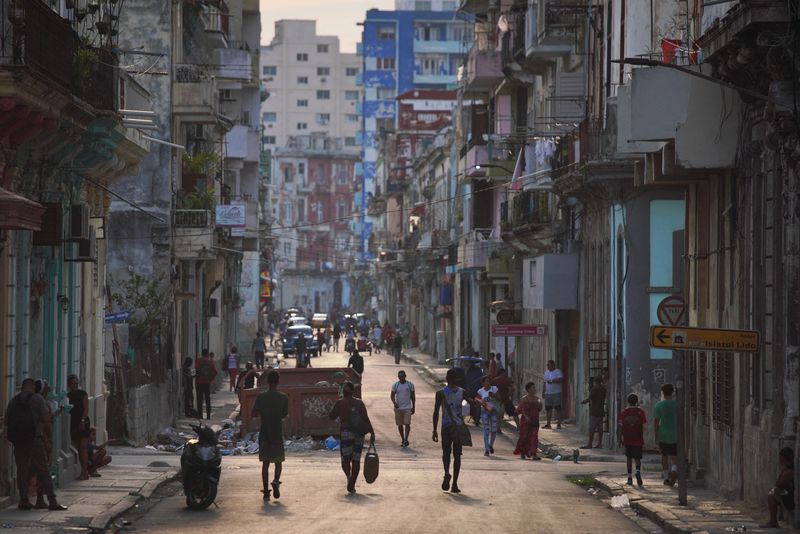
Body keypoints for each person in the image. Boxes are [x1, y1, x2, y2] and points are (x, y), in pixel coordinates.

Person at [5, 378, 67, 510]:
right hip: (35, 439)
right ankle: (52, 501)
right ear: (32, 386)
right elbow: (45, 419)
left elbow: (6, 421)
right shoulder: (38, 399)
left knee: (21, 470)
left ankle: (24, 500)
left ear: (22, 387)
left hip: (19, 441)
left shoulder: (13, 401)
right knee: (43, 469)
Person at [329, 381, 375, 494]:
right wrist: (372, 432)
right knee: (356, 459)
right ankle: (352, 482)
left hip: (345, 433)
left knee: (345, 459)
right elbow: (365, 418)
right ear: (353, 392)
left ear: (343, 392)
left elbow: (332, 416)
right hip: (359, 434)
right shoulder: (359, 403)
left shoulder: (340, 403)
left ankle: (349, 477)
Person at [252, 370, 289, 501]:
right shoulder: (283, 397)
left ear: (267, 382)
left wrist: (263, 413)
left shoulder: (261, 397)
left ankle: (266, 491)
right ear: (278, 382)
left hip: (265, 435)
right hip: (277, 434)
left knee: (265, 464)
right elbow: (284, 415)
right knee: (278, 462)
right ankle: (276, 480)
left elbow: (253, 414)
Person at [433, 368, 468, 494]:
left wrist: (434, 430)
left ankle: (447, 472)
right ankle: (454, 484)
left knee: (446, 453)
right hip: (458, 427)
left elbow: (436, 412)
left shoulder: (440, 393)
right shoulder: (463, 392)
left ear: (447, 379)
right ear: (457, 379)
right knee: (457, 455)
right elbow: (468, 409)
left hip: (446, 427)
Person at [761, 447, 795, 529]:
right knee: (773, 492)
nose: (779, 459)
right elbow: (778, 482)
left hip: (791, 498)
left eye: (781, 457)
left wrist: (784, 471)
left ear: (784, 458)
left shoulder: (790, 471)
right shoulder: (786, 469)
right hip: (787, 494)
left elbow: (779, 484)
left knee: (772, 494)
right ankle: (773, 521)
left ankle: (773, 521)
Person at [617, 393, 646, 486]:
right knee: (637, 458)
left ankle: (629, 477)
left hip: (627, 438)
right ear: (636, 401)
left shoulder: (624, 412)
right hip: (638, 438)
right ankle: (637, 471)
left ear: (628, 401)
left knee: (629, 458)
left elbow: (621, 427)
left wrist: (619, 438)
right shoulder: (640, 412)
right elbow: (643, 423)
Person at [653, 383, 678, 486]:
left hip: (663, 434)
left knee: (664, 456)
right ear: (672, 392)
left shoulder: (659, 405)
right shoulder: (676, 404)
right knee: (674, 456)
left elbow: (656, 421)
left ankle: (667, 477)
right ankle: (674, 469)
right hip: (675, 434)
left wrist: (656, 436)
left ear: (662, 392)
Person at [67, 374, 90, 480]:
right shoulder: (68, 396)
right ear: (69, 385)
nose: (75, 385)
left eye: (76, 383)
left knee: (83, 447)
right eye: (73, 383)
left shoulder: (83, 394)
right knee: (78, 448)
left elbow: (86, 408)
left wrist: (82, 420)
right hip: (73, 423)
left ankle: (84, 472)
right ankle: (84, 471)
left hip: (82, 423)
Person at [514, 382, 542, 460]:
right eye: (533, 388)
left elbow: (539, 409)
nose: (534, 389)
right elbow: (521, 410)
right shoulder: (524, 399)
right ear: (528, 389)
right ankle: (523, 453)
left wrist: (540, 404)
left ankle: (534, 454)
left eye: (534, 387)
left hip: (535, 420)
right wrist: (526, 417)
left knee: (534, 437)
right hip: (526, 421)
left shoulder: (537, 399)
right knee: (524, 437)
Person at [390, 370, 416, 447]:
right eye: (399, 376)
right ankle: (402, 439)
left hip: (407, 408)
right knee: (400, 425)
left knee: (407, 424)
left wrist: (413, 407)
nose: (401, 378)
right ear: (398, 377)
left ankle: (406, 438)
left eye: (402, 376)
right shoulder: (395, 385)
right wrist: (394, 403)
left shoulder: (410, 385)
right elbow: (392, 396)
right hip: (398, 409)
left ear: (405, 376)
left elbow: (413, 397)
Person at [580, 375, 606, 449]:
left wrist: (583, 401)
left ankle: (590, 444)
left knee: (592, 429)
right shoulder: (603, 389)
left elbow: (589, 399)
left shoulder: (594, 389)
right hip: (601, 411)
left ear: (595, 382)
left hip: (594, 411)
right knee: (600, 428)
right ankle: (600, 443)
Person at [476, 376, 499, 456]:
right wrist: (480, 403)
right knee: (486, 430)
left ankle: (490, 445)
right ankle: (486, 449)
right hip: (484, 412)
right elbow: (477, 400)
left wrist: (494, 395)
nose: (487, 383)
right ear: (482, 383)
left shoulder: (494, 389)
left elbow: (499, 398)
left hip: (493, 411)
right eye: (486, 381)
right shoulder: (480, 391)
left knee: (494, 430)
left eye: (489, 381)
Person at [492, 367, 518, 432]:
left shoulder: (494, 380)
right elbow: (510, 389)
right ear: (503, 373)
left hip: (498, 400)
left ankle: (498, 428)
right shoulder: (506, 380)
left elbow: (492, 391)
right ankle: (519, 426)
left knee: (499, 415)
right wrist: (511, 397)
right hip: (506, 400)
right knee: (515, 413)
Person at [195, 349, 218, 420]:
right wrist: (210, 379)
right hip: (207, 383)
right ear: (208, 354)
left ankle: (200, 415)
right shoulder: (211, 362)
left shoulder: (198, 360)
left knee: (199, 399)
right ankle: (208, 416)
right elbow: (215, 372)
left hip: (199, 382)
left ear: (202, 354)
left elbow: (196, 369)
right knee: (208, 399)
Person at [543, 360, 563, 429]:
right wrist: (543, 392)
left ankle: (559, 424)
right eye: (547, 365)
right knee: (548, 409)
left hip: (556, 393)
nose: (547, 366)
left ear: (553, 365)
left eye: (549, 365)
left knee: (557, 408)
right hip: (548, 393)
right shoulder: (546, 372)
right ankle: (548, 424)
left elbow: (560, 380)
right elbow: (544, 383)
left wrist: (552, 381)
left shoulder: (558, 371)